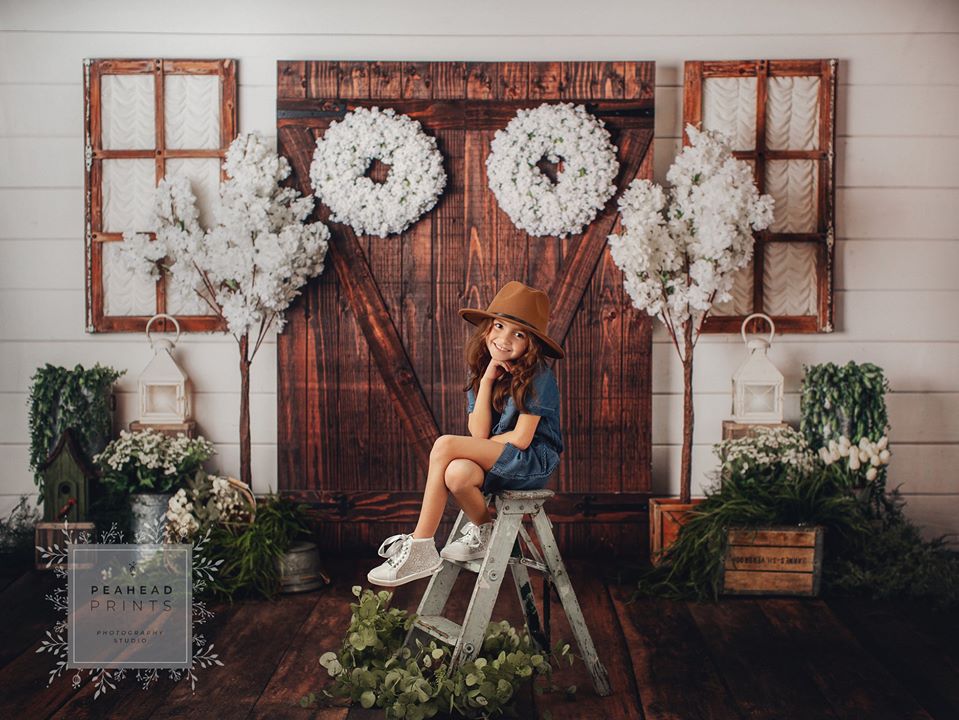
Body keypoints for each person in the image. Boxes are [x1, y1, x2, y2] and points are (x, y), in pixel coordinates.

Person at [367, 281, 565, 587]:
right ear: (487, 327)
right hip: (498, 461)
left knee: (445, 445)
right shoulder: (483, 371)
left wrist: (475, 447)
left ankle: (421, 546)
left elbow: (522, 439)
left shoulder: (539, 376)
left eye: (519, 334)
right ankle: (484, 531)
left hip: (530, 463)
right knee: (457, 473)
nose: (504, 338)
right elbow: (479, 431)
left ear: (531, 344)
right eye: (499, 326)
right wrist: (486, 382)